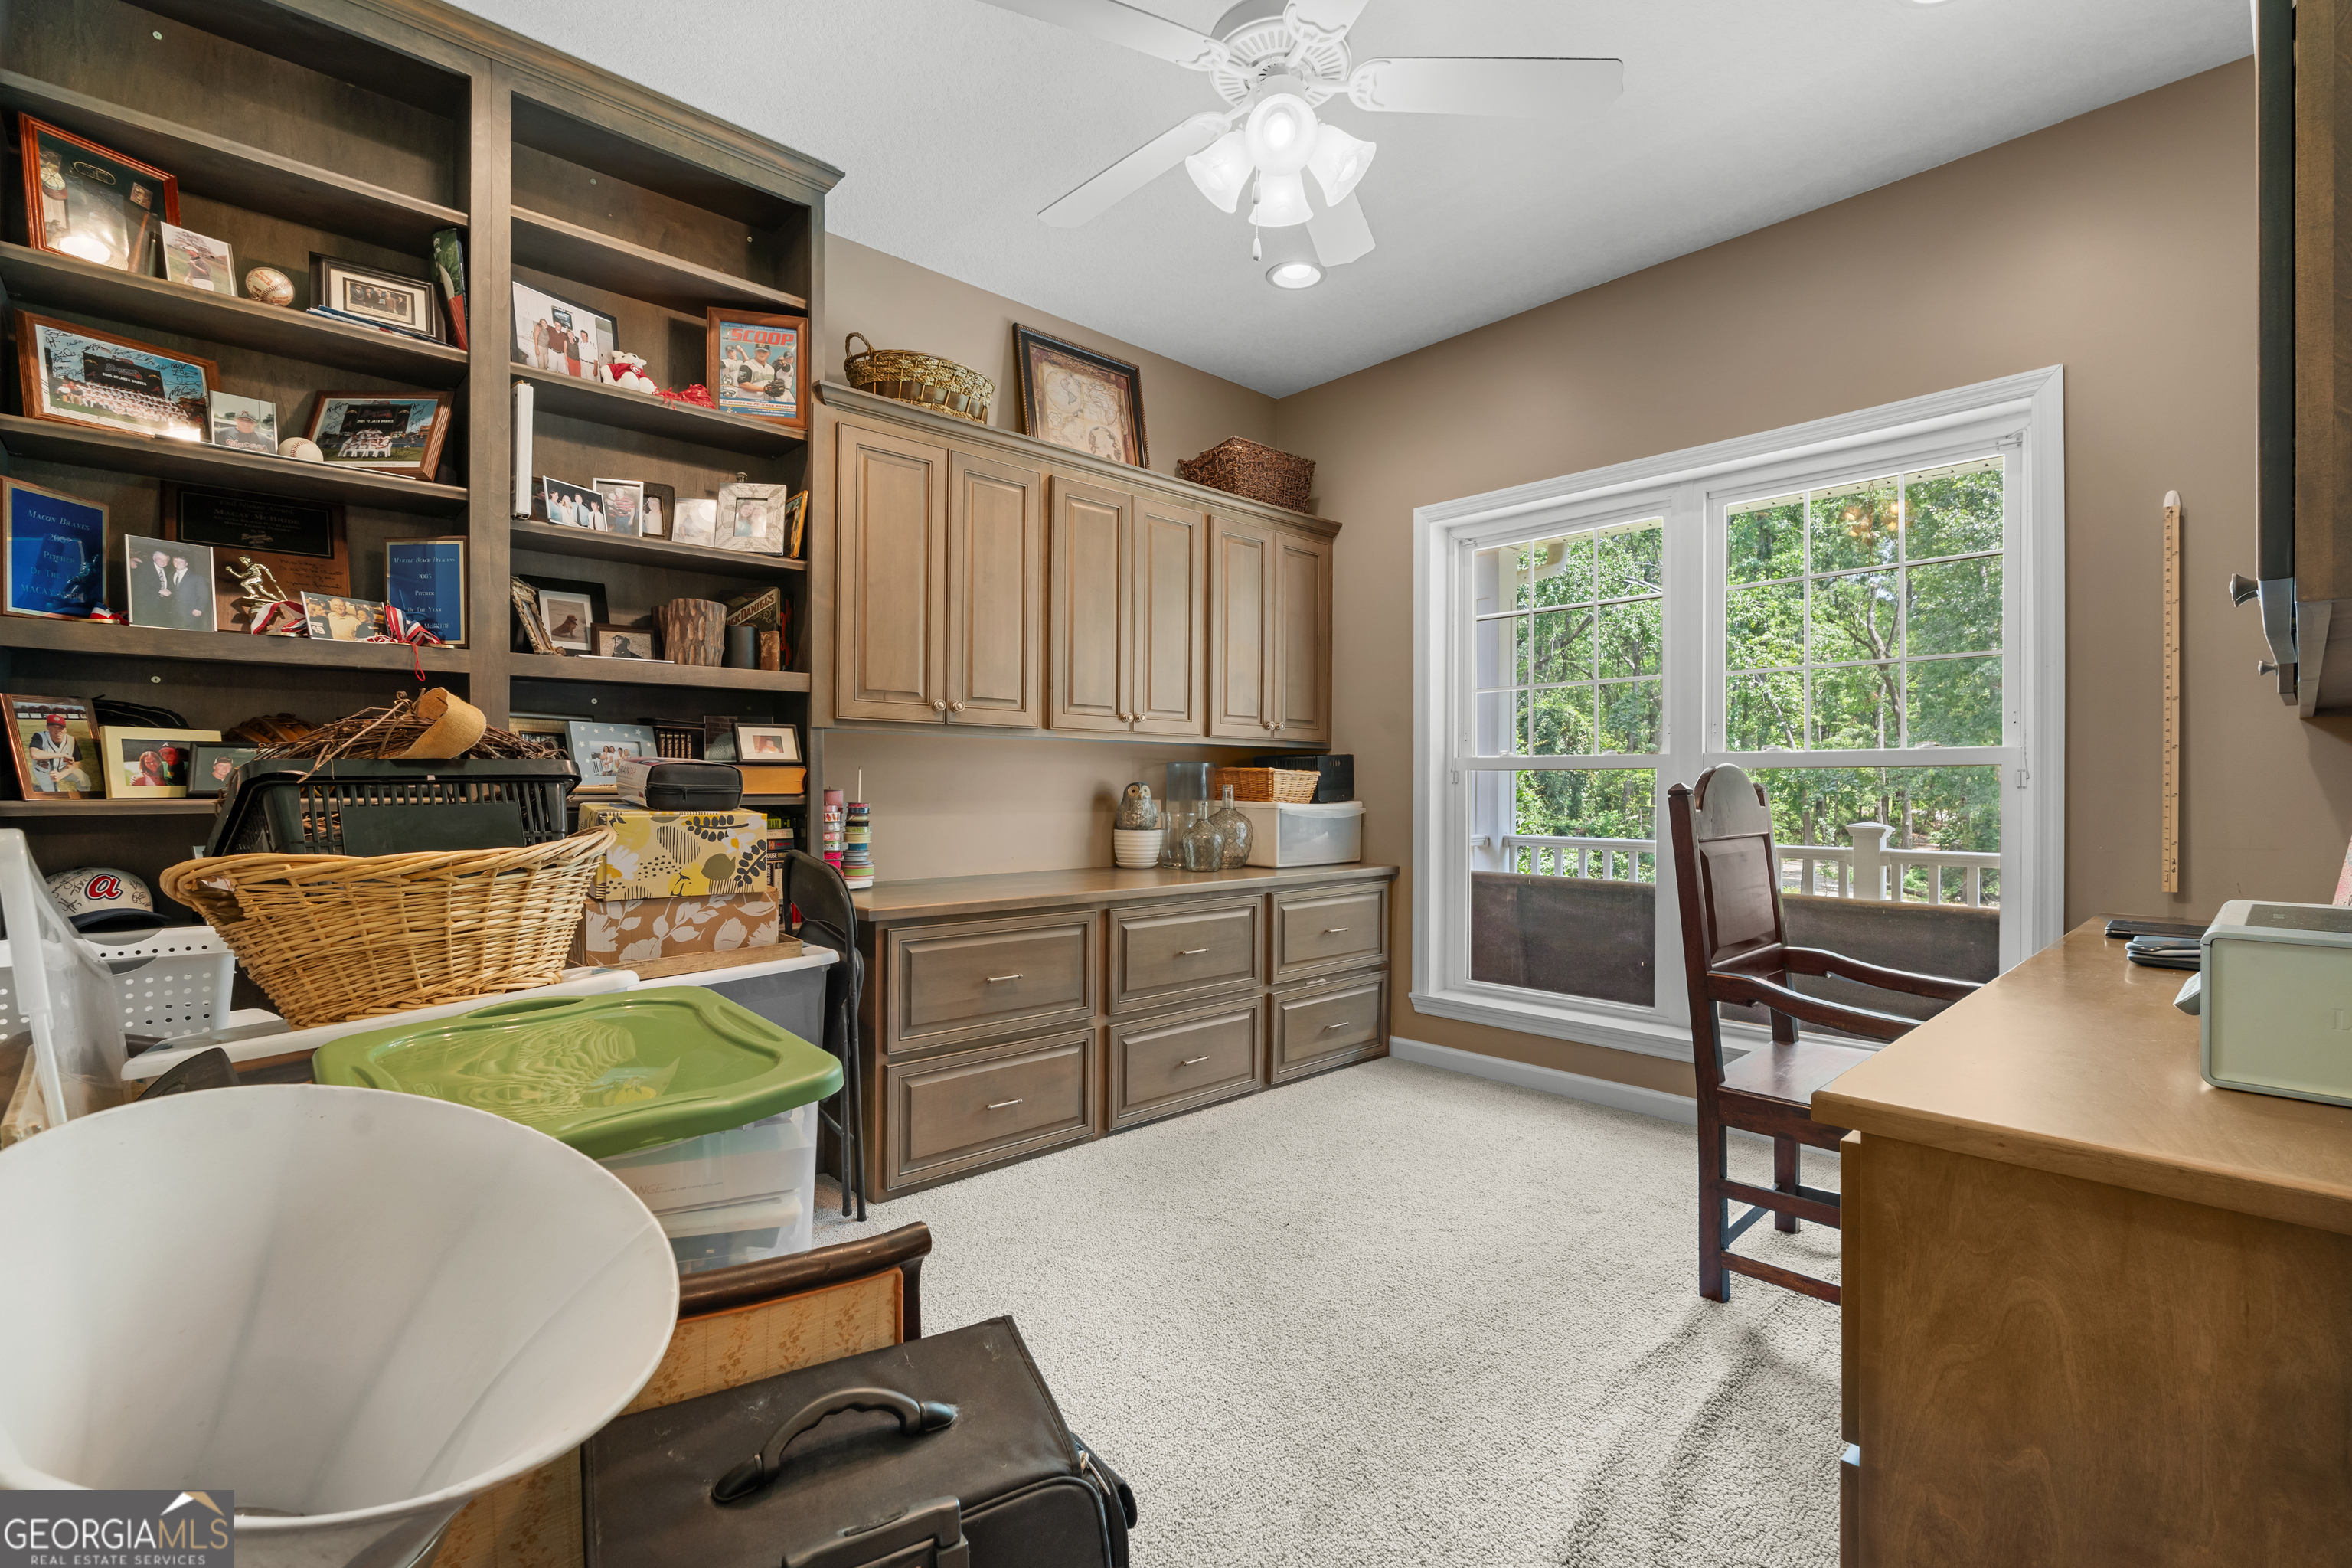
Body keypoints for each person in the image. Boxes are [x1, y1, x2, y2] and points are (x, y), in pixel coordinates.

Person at [26, 714, 90, 792]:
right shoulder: (40, 737)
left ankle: (83, 803)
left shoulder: (71, 740)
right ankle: (38, 789)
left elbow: (75, 764)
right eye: (53, 727)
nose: (58, 730)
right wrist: (61, 755)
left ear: (65, 729)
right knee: (54, 794)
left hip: (63, 769)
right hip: (44, 771)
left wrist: (61, 775)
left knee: (84, 780)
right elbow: (34, 754)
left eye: (61, 727)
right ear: (48, 727)